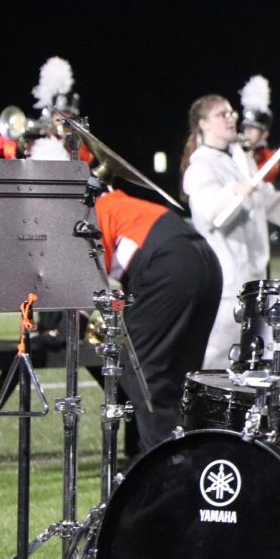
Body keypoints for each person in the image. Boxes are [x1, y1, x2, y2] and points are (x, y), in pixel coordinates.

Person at [180, 94, 280, 370]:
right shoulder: (201, 166)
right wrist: (234, 192)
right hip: (225, 281)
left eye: (232, 113)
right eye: (222, 114)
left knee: (248, 358)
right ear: (204, 123)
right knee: (216, 357)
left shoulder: (239, 161)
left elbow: (265, 198)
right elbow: (213, 214)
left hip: (253, 279)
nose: (231, 118)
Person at [93, 189, 222, 453]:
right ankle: (193, 454)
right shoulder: (121, 204)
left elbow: (91, 272)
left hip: (169, 261)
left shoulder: (93, 212)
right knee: (184, 374)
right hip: (205, 257)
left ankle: (160, 462)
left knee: (144, 371)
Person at [239, 75, 279, 185]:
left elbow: (255, 178)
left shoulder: (270, 157)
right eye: (246, 128)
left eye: (253, 128)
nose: (248, 131)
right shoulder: (238, 151)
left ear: (264, 134)